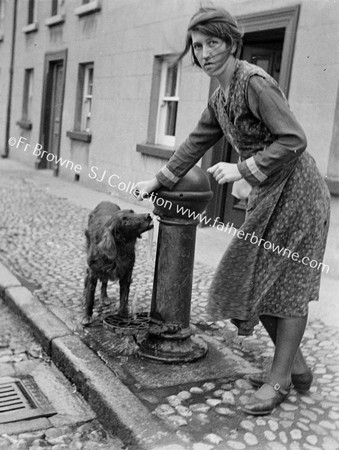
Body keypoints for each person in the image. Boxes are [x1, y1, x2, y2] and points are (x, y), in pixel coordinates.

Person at [134, 6, 331, 415]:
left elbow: (295, 139)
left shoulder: (254, 82)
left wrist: (242, 168)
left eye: (213, 43)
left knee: (287, 286)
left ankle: (279, 380)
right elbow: (195, 141)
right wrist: (159, 180)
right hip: (269, 194)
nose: (204, 53)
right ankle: (295, 366)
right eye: (198, 45)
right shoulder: (221, 97)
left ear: (231, 42)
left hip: (300, 194)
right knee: (249, 279)